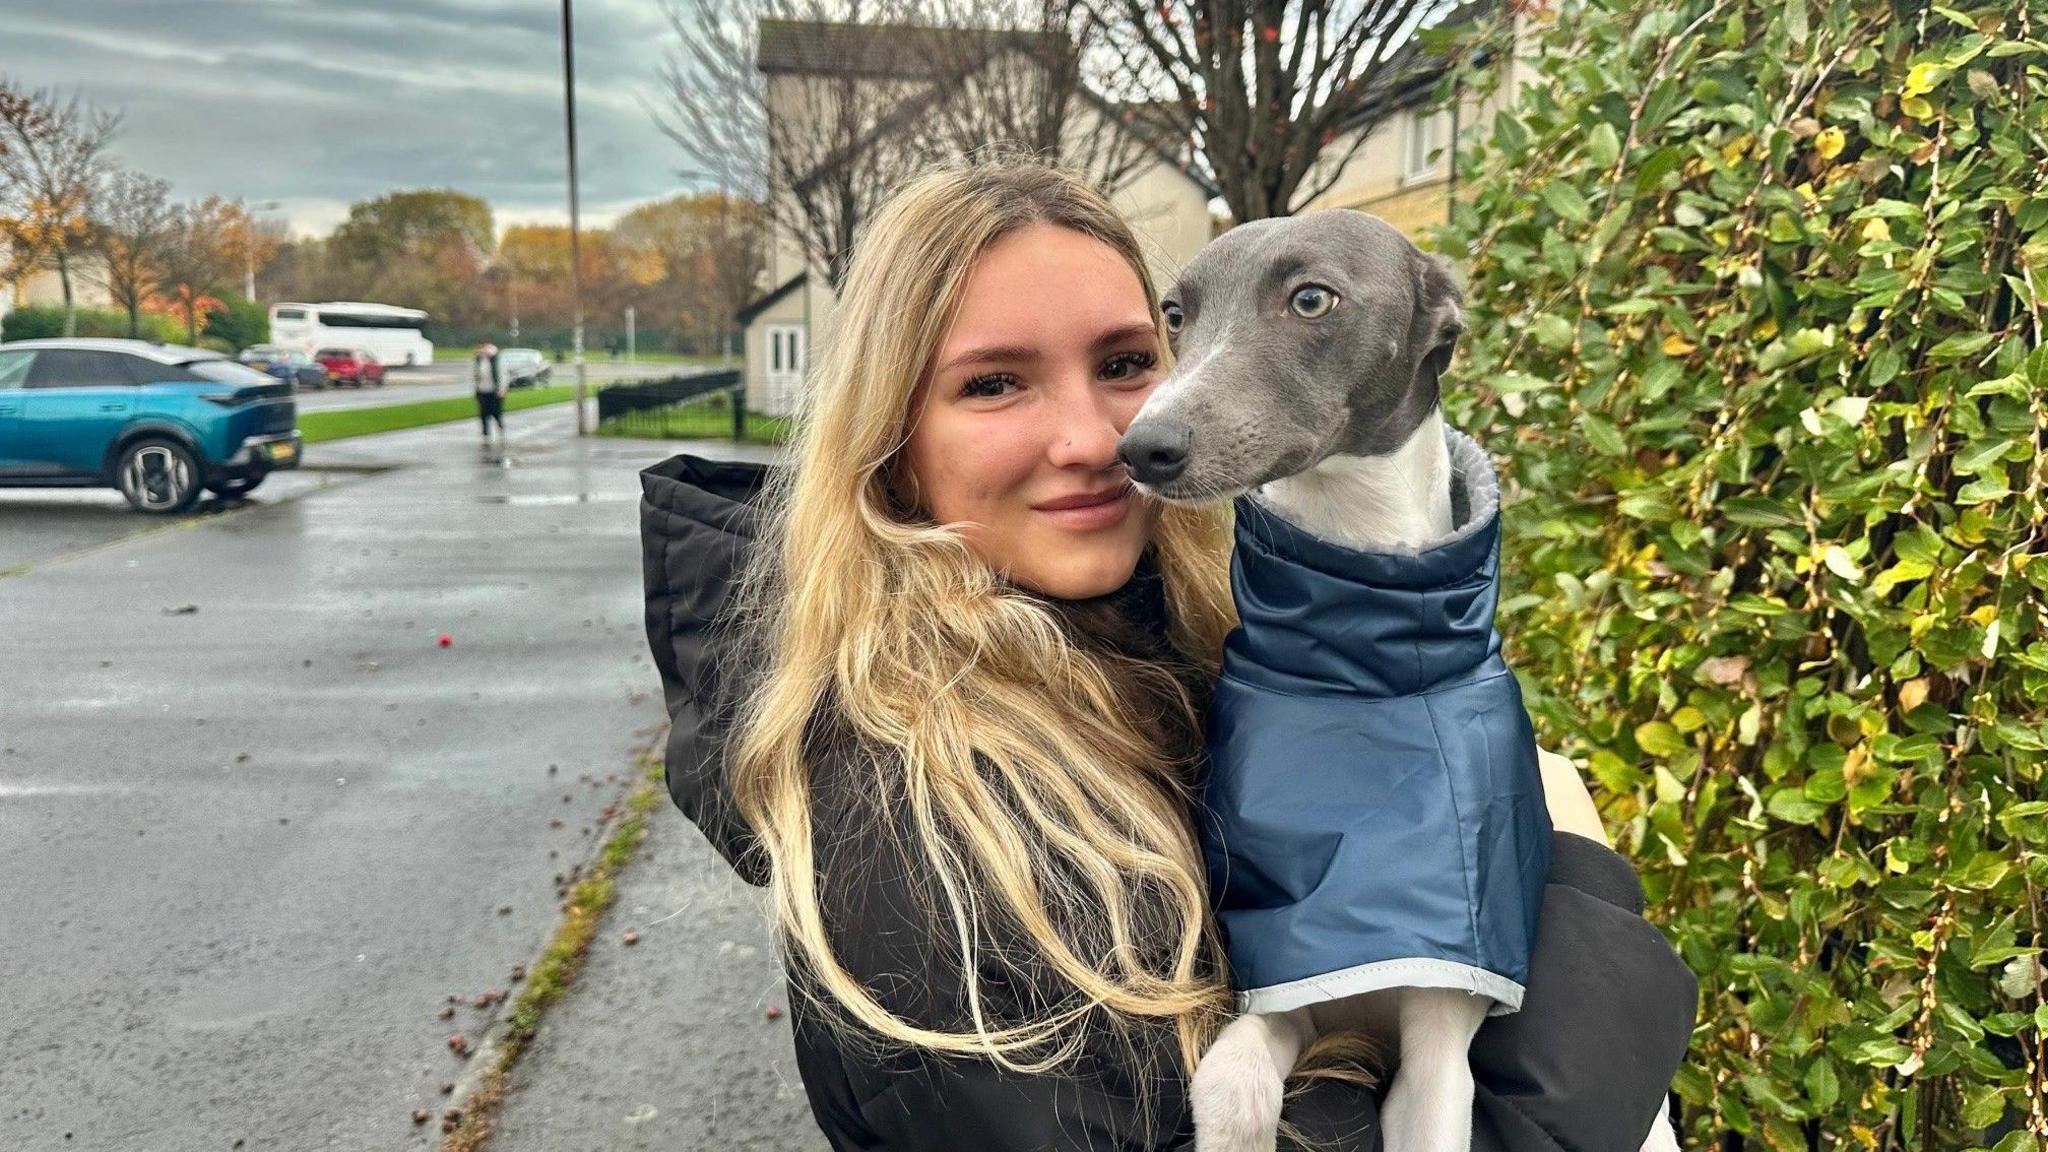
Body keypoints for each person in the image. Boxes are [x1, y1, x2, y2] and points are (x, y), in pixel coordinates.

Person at [639, 157, 1697, 1151]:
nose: (1108, 436)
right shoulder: (900, 817)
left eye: (1126, 362)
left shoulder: (1196, 647)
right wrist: (1574, 896)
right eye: (995, 384)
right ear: (889, 439)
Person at [472, 341, 505, 448]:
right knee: (483, 413)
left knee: (496, 412)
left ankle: (500, 426)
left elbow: (503, 375)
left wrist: (502, 389)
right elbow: (474, 376)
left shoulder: (496, 361)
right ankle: (486, 435)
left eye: (485, 349)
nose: (483, 351)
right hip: (482, 390)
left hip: (494, 391)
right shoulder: (478, 361)